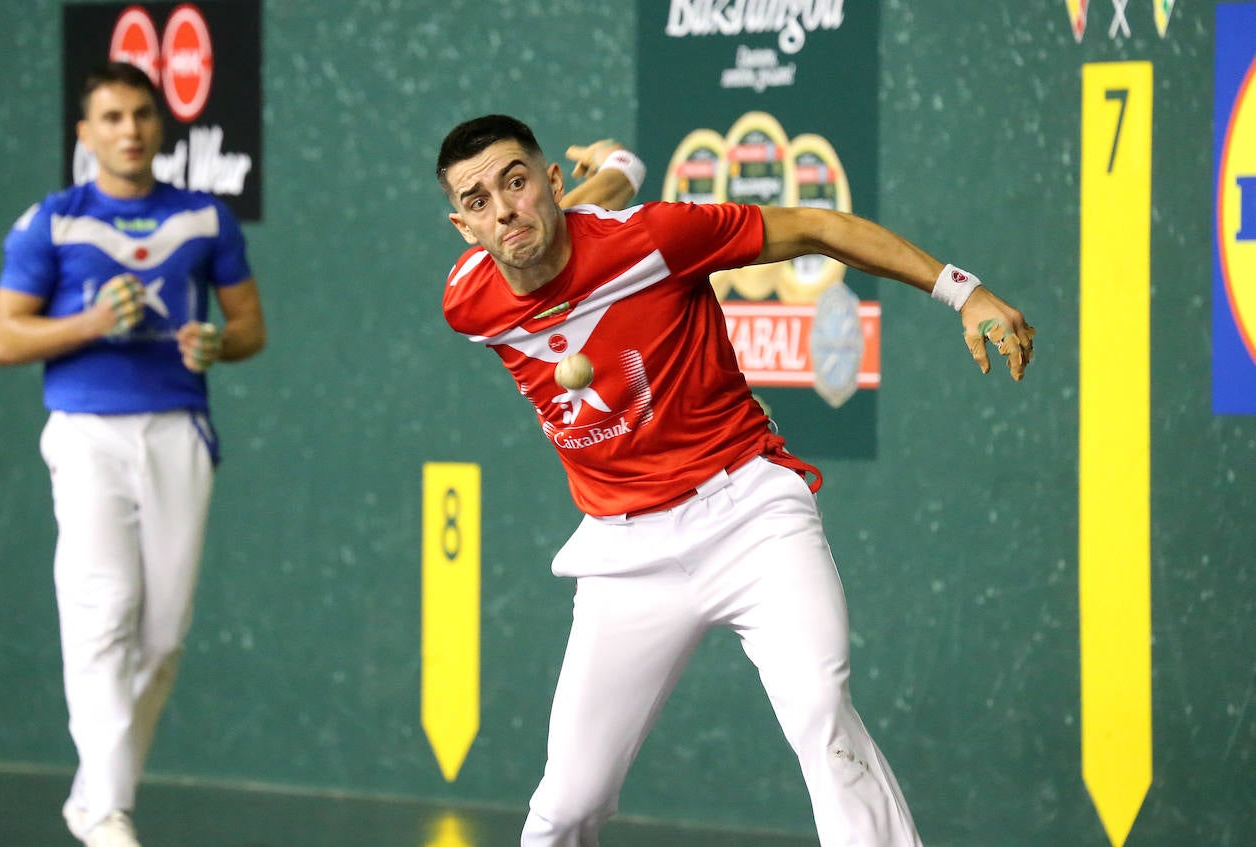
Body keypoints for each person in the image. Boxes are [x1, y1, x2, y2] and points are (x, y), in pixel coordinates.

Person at [435, 114, 1034, 847]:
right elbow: (586, 198)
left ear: (550, 182)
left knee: (821, 710)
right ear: (463, 225)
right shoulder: (468, 302)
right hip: (626, 555)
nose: (502, 209)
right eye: (476, 200)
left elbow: (814, 224)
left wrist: (961, 291)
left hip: (749, 516)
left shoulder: (652, 239)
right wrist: (621, 161)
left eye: (518, 181)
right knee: (566, 805)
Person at [0, 61, 266, 847]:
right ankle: (108, 812)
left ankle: (94, 796)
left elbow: (250, 327)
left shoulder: (206, 220)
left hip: (178, 429)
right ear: (86, 134)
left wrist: (218, 341)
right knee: (102, 610)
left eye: (142, 114)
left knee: (164, 634)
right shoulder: (53, 221)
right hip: (86, 433)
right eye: (111, 118)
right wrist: (85, 324)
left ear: (161, 125)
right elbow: (5, 338)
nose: (130, 130)